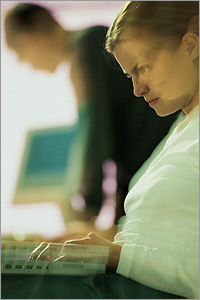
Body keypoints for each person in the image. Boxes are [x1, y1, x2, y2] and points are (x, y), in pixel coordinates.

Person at [23, 1, 198, 299]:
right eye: (131, 76)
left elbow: (97, 133)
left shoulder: (85, 47)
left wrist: (113, 251)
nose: (137, 89)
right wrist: (103, 239)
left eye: (143, 68)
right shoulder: (180, 128)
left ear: (191, 45)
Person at [4, 3, 179, 240]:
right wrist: (117, 216)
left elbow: (97, 136)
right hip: (150, 177)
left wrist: (85, 213)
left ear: (31, 36)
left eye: (19, 51)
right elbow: (118, 140)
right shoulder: (91, 45)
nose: (25, 62)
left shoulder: (88, 46)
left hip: (159, 177)